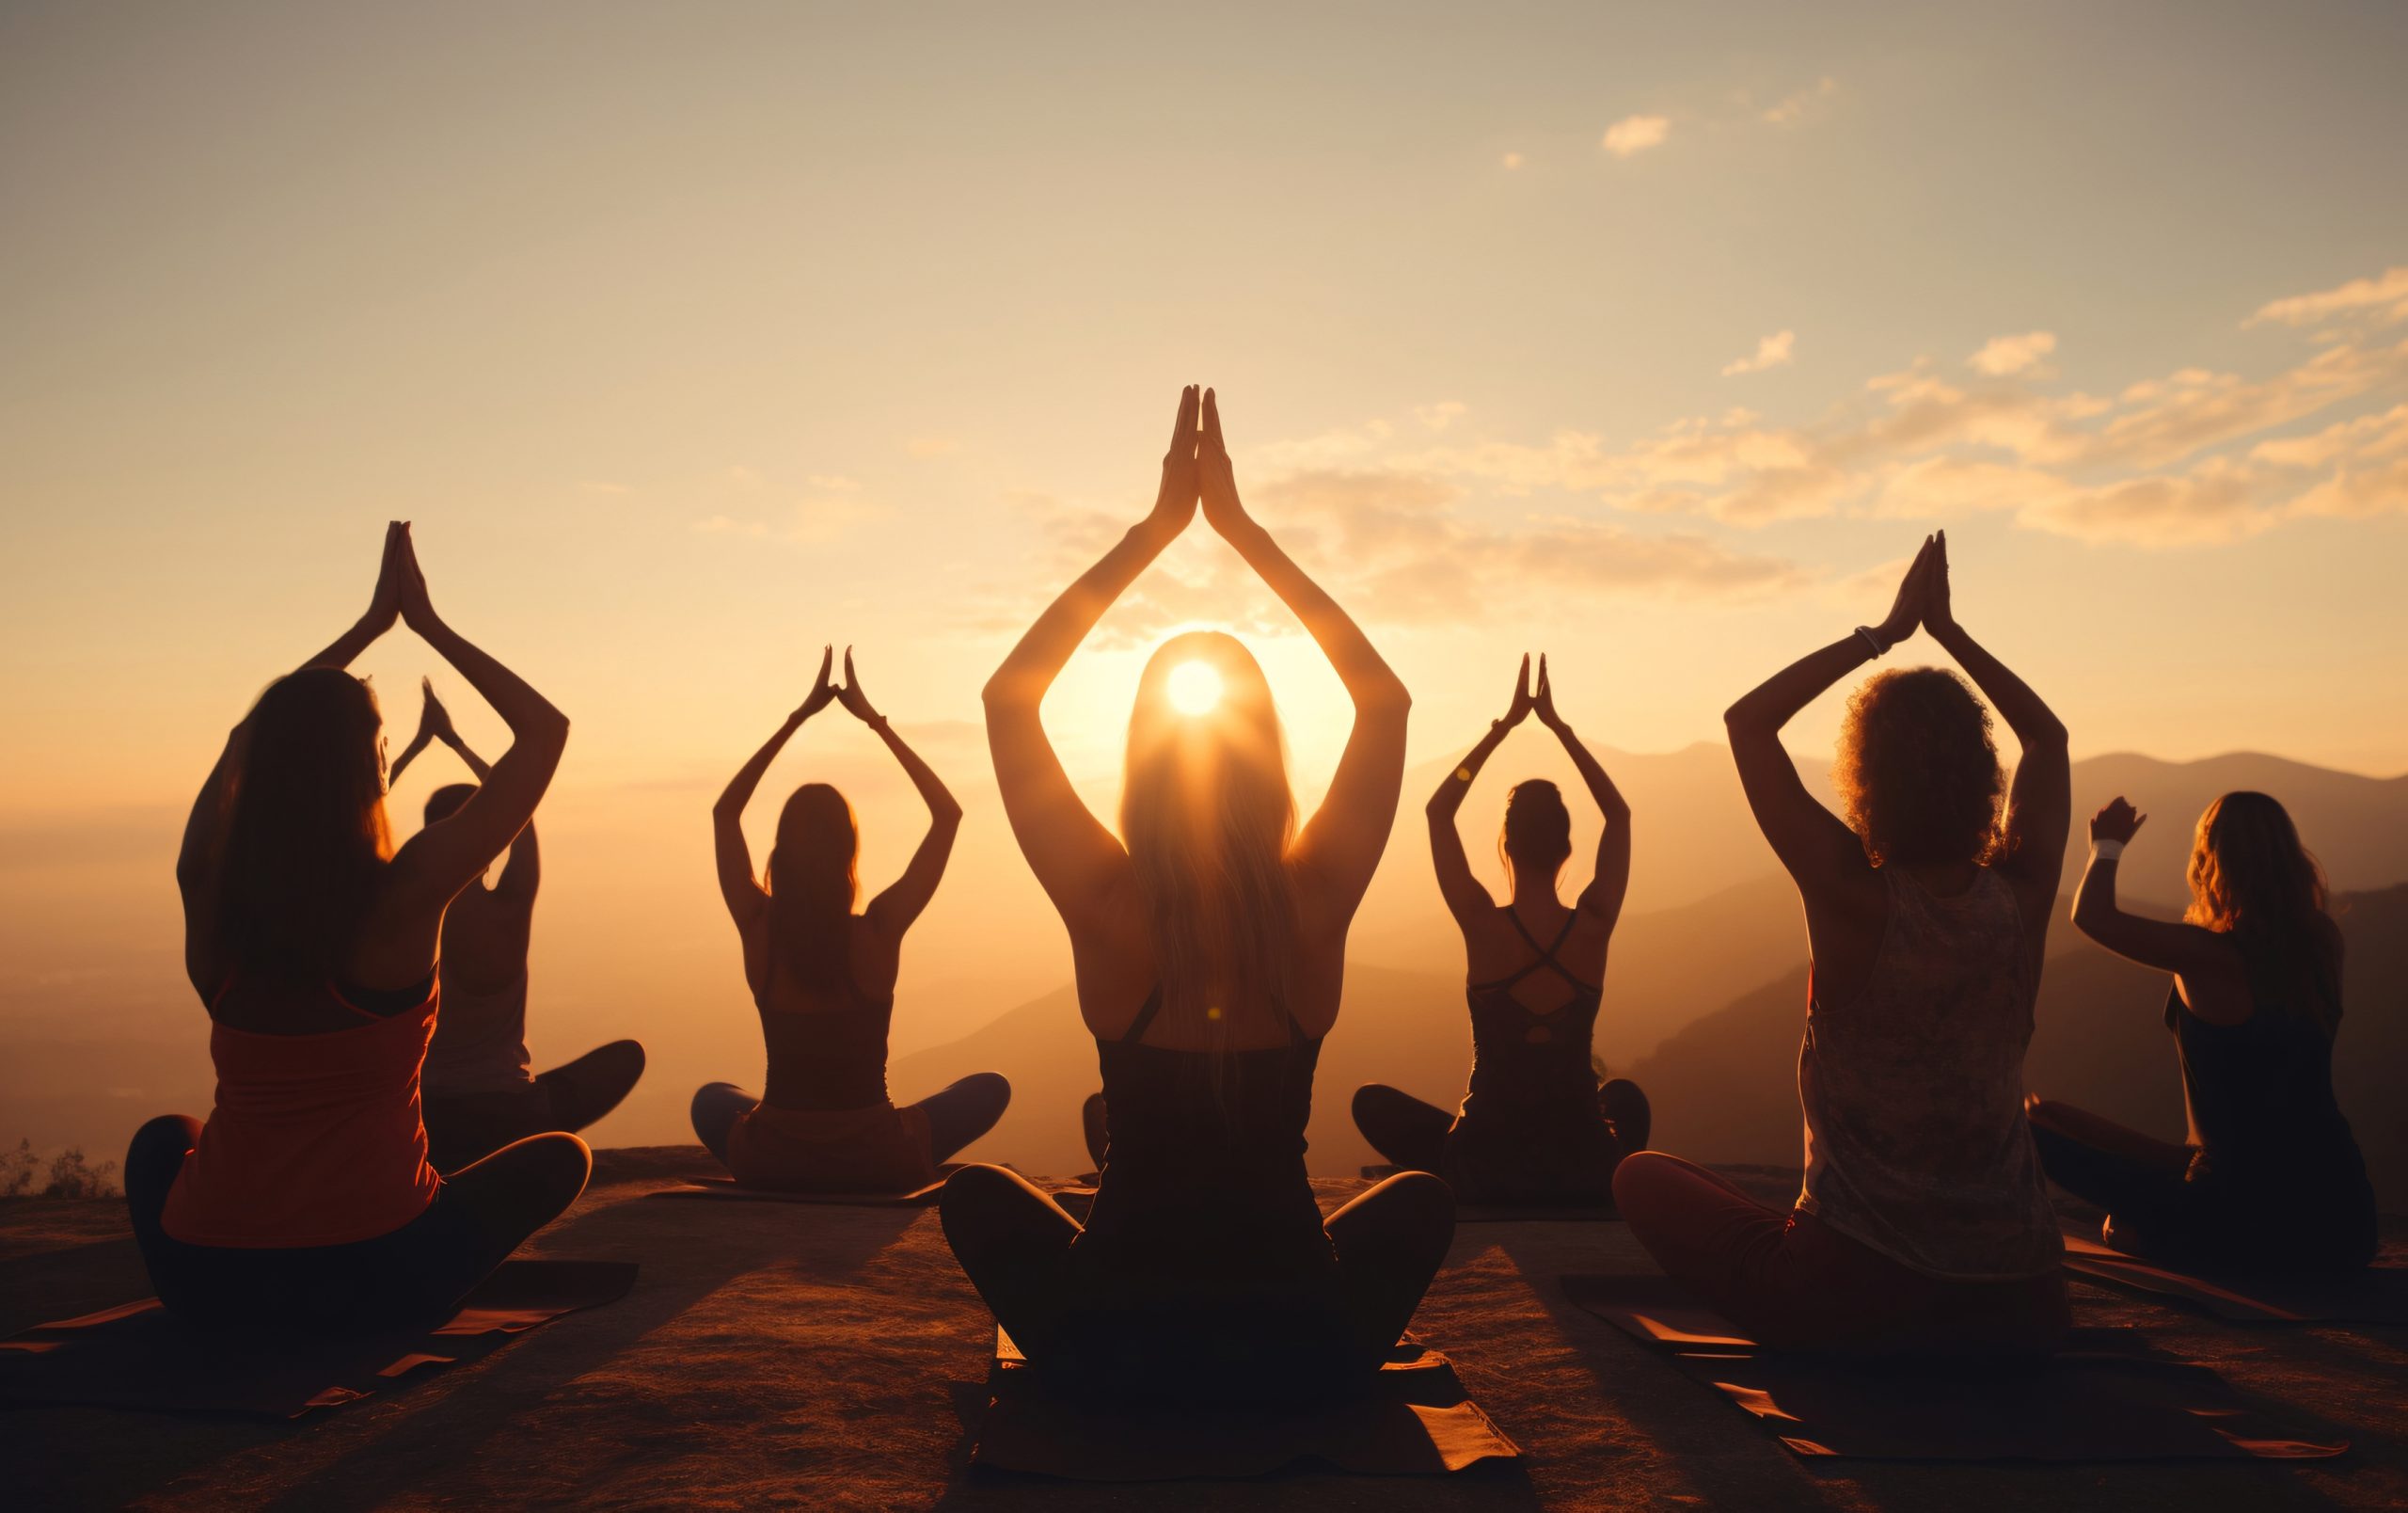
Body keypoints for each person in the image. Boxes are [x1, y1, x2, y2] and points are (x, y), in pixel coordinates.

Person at [943, 386, 1454, 1406]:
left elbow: (1007, 699)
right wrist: (1243, 531)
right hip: (1297, 1341)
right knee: (1421, 1204)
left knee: (976, 1196)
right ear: (1269, 763)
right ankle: (1303, 1353)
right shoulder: (1314, 901)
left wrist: (1155, 531)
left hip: (1113, 1344)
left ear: (1139, 764)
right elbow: (1384, 700)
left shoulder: (1104, 902)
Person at [126, 522, 591, 1334]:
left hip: (207, 1282)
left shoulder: (212, 902)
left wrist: (366, 630)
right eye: (380, 748)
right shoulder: (403, 902)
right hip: (373, 1277)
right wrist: (427, 625)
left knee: (163, 1140)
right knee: (563, 1156)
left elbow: (243, 742)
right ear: (372, 769)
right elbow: (545, 734)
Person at [1614, 531, 2071, 1353]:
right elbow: (2049, 741)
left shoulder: (1850, 893)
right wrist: (1953, 636)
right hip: (2022, 1304)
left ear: (1866, 778)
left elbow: (1748, 725)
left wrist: (1884, 634)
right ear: (1982, 779)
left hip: (1861, 1295)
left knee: (1642, 1175)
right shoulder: (2023, 897)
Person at [691, 647, 1008, 1192]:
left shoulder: (757, 926)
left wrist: (798, 717)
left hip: (772, 1159)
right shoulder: (880, 929)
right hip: (878, 1159)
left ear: (781, 855)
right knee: (990, 1087)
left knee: (711, 1099)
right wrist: (875, 723)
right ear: (847, 854)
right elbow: (948, 815)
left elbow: (725, 814)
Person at [2028, 792, 2377, 1274]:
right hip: (2345, 1220)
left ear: (2210, 864)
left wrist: (2106, 845)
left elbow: (2093, 916)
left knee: (2031, 1138)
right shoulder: (2322, 945)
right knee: (2053, 1117)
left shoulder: (2208, 957)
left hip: (2244, 1215)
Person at [1353, 654, 1648, 1204]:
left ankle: (1458, 1171)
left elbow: (1439, 812)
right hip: (1582, 1162)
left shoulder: (1481, 924)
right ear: (1565, 850)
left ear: (1506, 845)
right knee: (1625, 1100)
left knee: (1372, 1102)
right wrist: (1561, 731)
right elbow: (1620, 816)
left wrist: (1503, 729)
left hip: (1485, 1162)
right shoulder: (1595, 924)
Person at [387, 679, 646, 1171]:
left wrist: (416, 748)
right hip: (508, 1115)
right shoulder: (511, 906)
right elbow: (520, 803)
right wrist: (458, 743)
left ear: (427, 839)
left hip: (425, 1116)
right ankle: (518, 1141)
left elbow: (366, 821)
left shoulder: (401, 915)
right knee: (626, 1057)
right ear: (492, 839)